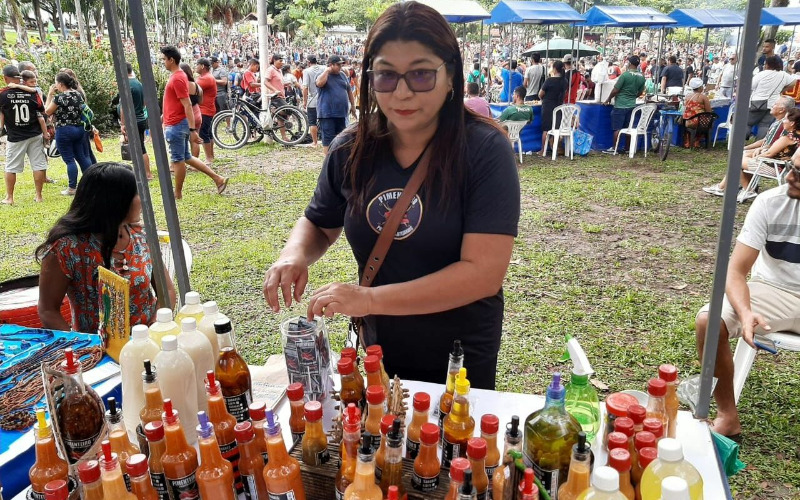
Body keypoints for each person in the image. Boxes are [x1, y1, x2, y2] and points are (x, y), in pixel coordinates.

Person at [263, 1, 520, 389]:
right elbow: (319, 221)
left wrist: (368, 300)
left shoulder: (484, 150)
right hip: (379, 347)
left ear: (451, 75)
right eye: (385, 75)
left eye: (420, 74)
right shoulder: (350, 148)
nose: (402, 92)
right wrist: (293, 254)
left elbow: (482, 273)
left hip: (459, 355)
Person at [694, 153, 800, 441]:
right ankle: (727, 417)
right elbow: (735, 271)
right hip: (772, 289)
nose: (790, 176)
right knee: (709, 320)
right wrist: (744, 311)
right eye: (791, 167)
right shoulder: (770, 202)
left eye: (799, 173)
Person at [36, 163, 176, 333]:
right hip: (97, 347)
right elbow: (48, 310)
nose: (142, 199)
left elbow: (167, 290)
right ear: (115, 201)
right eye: (136, 194)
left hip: (149, 339)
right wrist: (84, 344)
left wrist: (156, 326)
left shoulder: (142, 236)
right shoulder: (66, 248)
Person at [160, 46, 228, 200]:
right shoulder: (179, 76)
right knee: (186, 157)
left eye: (164, 59)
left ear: (171, 60)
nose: (163, 62)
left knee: (178, 160)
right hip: (177, 123)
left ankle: (177, 193)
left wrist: (192, 130)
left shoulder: (177, 78)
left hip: (176, 124)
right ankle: (218, 179)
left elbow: (187, 104)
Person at [703, 97, 795, 196]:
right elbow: (766, 141)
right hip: (770, 161)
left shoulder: (783, 127)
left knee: (736, 160)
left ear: (782, 110)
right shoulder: (779, 123)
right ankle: (742, 187)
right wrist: (746, 148)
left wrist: (756, 154)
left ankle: (744, 189)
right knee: (739, 156)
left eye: (775, 104)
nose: (772, 105)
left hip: (773, 165)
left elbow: (770, 148)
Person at [1, 65, 48, 204]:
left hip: (15, 136)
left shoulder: (2, 94)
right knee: (38, 165)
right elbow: (42, 110)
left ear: (5, 78)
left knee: (11, 167)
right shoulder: (33, 93)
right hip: (35, 134)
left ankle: (10, 197)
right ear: (20, 78)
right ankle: (39, 196)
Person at [44, 71, 93, 196]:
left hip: (64, 130)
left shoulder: (59, 98)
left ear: (60, 84)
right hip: (79, 129)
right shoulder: (78, 94)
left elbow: (47, 112)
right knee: (82, 157)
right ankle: (92, 184)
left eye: (56, 83)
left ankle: (72, 188)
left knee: (69, 160)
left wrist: (50, 94)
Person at [603, 56, 645, 155]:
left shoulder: (625, 75)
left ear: (629, 63)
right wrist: (632, 96)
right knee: (628, 128)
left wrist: (608, 99)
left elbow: (615, 90)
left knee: (617, 128)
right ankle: (627, 148)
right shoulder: (641, 77)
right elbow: (640, 92)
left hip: (620, 105)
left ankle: (614, 148)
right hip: (632, 105)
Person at [315, 54, 357, 154]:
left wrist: (353, 106)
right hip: (327, 114)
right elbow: (319, 83)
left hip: (341, 113)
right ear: (331, 65)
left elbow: (349, 91)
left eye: (341, 65)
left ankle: (339, 159)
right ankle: (328, 159)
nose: (340, 67)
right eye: (338, 65)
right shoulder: (322, 75)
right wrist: (326, 71)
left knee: (341, 139)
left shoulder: (342, 75)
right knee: (328, 140)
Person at [748, 55, 797, 140]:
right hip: (773, 104)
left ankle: (740, 142)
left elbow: (751, 86)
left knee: (748, 123)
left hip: (757, 102)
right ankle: (760, 144)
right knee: (765, 125)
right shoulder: (783, 74)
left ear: (768, 64)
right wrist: (782, 90)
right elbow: (794, 82)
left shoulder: (762, 74)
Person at [118, 63, 152, 180]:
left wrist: (123, 124)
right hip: (141, 119)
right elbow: (144, 103)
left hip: (132, 121)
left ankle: (147, 174)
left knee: (138, 148)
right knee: (140, 146)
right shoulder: (139, 84)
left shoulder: (126, 85)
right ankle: (144, 172)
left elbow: (124, 107)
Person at [539, 60, 567, 149]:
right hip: (558, 106)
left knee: (546, 129)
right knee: (556, 128)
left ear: (554, 69)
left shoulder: (549, 80)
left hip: (548, 106)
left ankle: (543, 150)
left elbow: (540, 94)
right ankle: (554, 148)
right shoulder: (565, 81)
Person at [194, 58, 217, 165]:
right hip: (207, 109)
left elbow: (192, 87)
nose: (196, 67)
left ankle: (209, 158)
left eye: (197, 65)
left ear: (202, 66)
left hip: (205, 110)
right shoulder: (207, 77)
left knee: (203, 133)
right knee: (208, 132)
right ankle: (211, 155)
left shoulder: (206, 78)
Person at [303, 55, 325, 147]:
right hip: (324, 99)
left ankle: (315, 142)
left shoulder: (307, 71)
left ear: (308, 62)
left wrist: (304, 101)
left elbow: (305, 87)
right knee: (325, 120)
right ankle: (325, 140)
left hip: (312, 100)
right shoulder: (324, 68)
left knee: (312, 122)